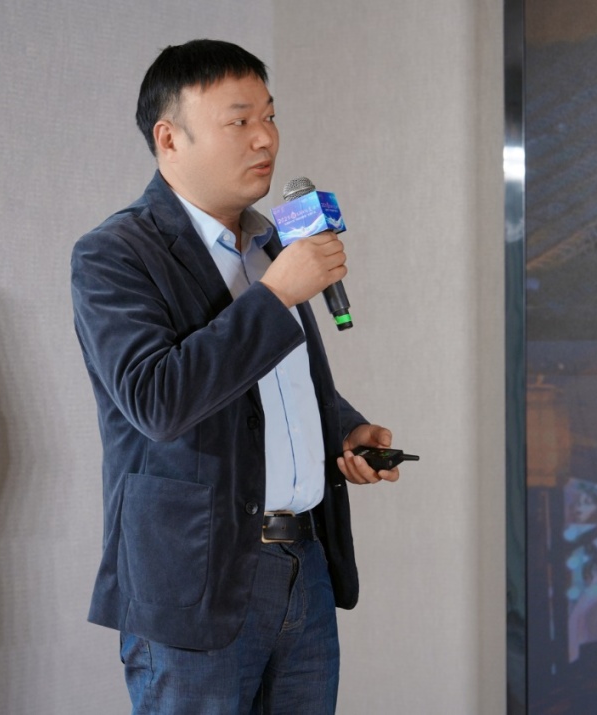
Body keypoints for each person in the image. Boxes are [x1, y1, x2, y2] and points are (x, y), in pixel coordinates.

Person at [70, 39, 402, 714]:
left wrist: (342, 430)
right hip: (197, 581)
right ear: (169, 137)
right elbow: (158, 399)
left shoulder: (269, 243)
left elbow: (272, 386)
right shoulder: (115, 254)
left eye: (269, 116)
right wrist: (276, 296)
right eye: (239, 120)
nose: (265, 138)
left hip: (304, 565)